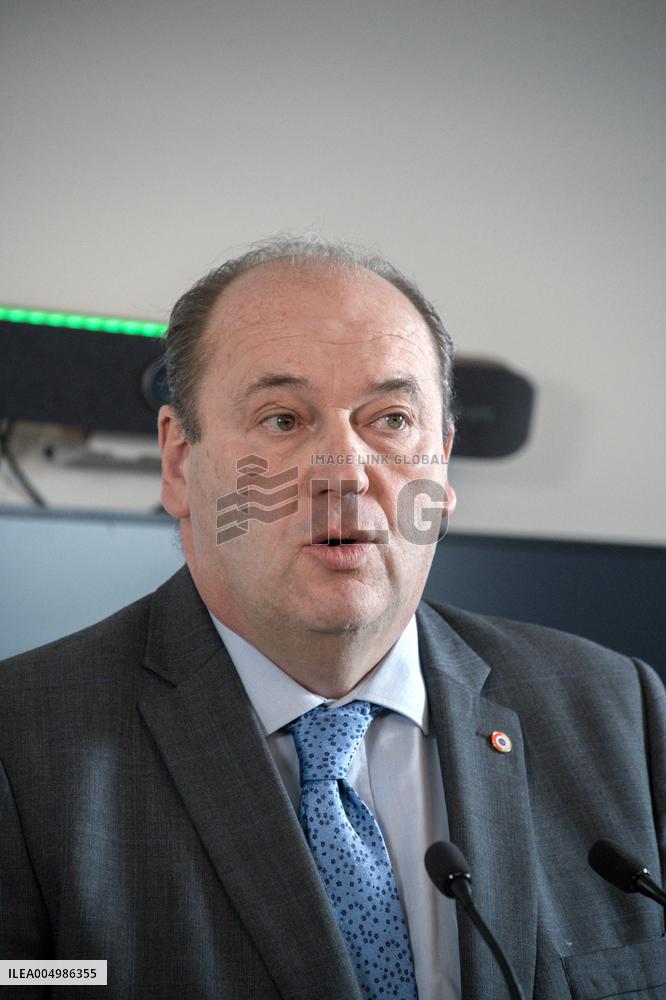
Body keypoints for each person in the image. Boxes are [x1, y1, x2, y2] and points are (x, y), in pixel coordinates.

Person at [0, 237, 664, 1000]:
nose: (345, 472)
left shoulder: (620, 713)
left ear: (442, 468)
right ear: (181, 463)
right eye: (282, 420)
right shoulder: (20, 746)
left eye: (390, 420)